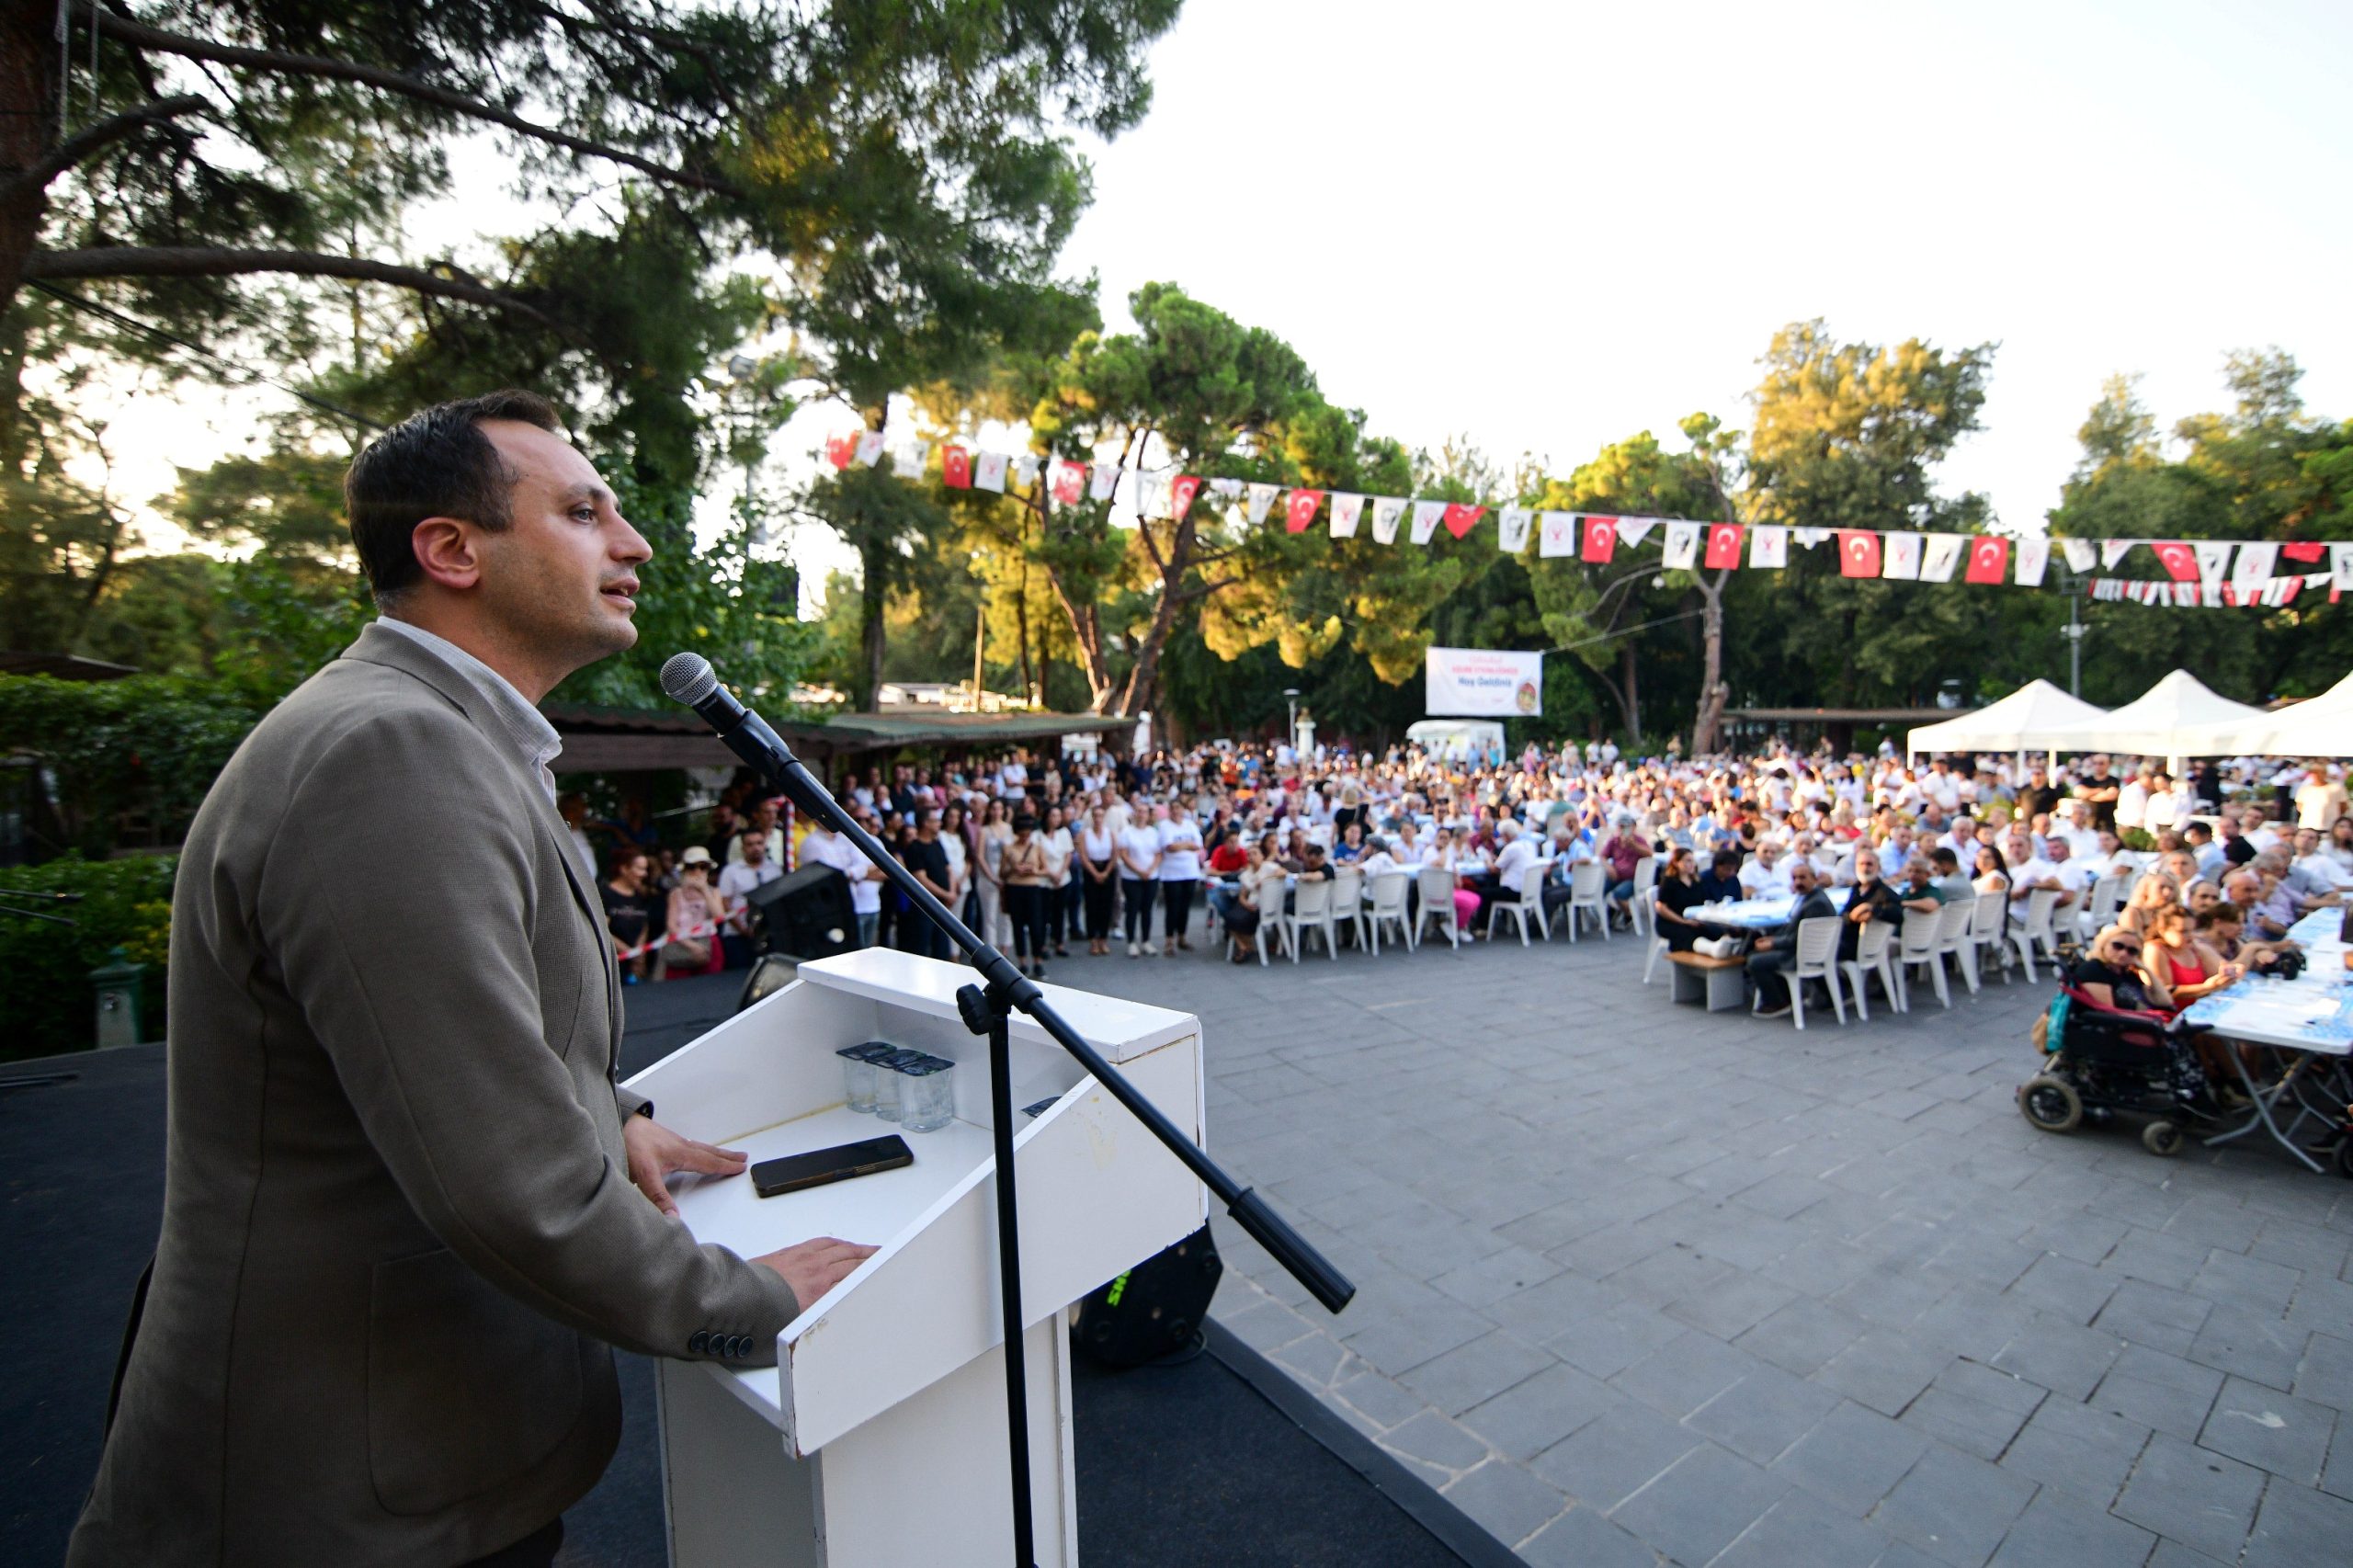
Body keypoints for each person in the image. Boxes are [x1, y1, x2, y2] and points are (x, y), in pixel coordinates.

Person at [69, 392, 874, 1568]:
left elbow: (466, 1042)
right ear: (450, 550)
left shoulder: (435, 731)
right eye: (584, 511)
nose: (633, 542)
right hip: (344, 1482)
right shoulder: (386, 751)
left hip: (399, 1444)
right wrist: (743, 1303)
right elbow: (504, 1173)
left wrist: (613, 1116)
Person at [1744, 860, 1836, 1017]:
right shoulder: (1807, 897)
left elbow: (1801, 939)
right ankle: (1786, 996)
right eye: (1794, 878)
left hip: (1803, 955)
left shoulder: (1816, 904)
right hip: (1801, 950)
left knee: (1755, 961)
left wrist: (1773, 943)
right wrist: (1772, 939)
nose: (1798, 882)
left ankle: (1778, 1002)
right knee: (1754, 948)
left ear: (1814, 879)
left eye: (1802, 878)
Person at [716, 826, 783, 967]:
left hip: (769, 934)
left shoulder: (775, 869)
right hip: (738, 935)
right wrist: (743, 929)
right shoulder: (731, 871)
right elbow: (725, 903)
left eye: (759, 843)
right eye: (750, 844)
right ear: (743, 847)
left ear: (765, 844)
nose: (756, 848)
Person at [999, 812, 1052, 980]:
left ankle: (1037, 961)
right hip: (1015, 888)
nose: (1025, 838)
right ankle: (1022, 961)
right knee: (1017, 926)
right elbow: (1002, 873)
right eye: (1022, 835)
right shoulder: (1009, 848)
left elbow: (1046, 870)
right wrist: (1013, 869)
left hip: (1033, 888)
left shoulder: (1037, 848)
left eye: (1027, 834)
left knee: (1036, 926)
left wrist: (1034, 870)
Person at [662, 847, 729, 975]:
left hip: (708, 943)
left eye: (703, 867)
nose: (697, 871)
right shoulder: (676, 894)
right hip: (681, 944)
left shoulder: (714, 892)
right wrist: (692, 946)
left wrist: (704, 890)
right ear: (685, 869)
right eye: (692, 867)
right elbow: (671, 925)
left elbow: (720, 918)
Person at [601, 846, 663, 985]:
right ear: (624, 869)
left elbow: (644, 926)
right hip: (614, 963)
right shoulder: (606, 894)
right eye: (640, 869)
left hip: (637, 964)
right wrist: (630, 953)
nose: (644, 874)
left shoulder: (641, 896)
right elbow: (603, 931)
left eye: (645, 869)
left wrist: (639, 954)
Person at [1157, 801, 1207, 954]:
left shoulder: (1190, 824)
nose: (1176, 811)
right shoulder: (1164, 826)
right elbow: (1169, 847)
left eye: (1178, 808)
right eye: (1173, 809)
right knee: (1173, 907)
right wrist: (1187, 844)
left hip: (1189, 872)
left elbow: (1198, 844)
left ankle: (1182, 936)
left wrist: (1182, 845)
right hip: (1171, 874)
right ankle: (1169, 940)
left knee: (1185, 906)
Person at [2074, 926, 2159, 1012]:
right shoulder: (2093, 969)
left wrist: (2147, 971)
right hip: (2124, 1023)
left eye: (2132, 951)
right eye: (2117, 946)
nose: (2123, 953)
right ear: (2104, 944)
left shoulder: (2127, 973)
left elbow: (2164, 1001)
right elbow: (2109, 1013)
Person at [1118, 804, 1163, 956]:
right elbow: (1124, 855)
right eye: (1139, 811)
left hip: (1151, 877)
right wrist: (1139, 871)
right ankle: (1131, 942)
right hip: (1131, 877)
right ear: (1134, 814)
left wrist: (1150, 870)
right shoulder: (1126, 832)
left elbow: (1158, 854)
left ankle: (1146, 941)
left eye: (1145, 812)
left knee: (1147, 910)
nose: (1142, 814)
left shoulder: (1153, 832)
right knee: (1132, 909)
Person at [1079, 802, 1119, 956]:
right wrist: (1095, 873)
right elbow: (1083, 855)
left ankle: (1103, 938)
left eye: (1101, 816)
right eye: (1095, 816)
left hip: (1107, 869)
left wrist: (1106, 872)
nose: (1098, 819)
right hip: (1091, 869)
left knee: (1106, 906)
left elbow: (1115, 854)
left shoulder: (1110, 833)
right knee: (1092, 906)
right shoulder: (1085, 834)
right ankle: (1093, 940)